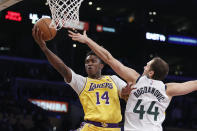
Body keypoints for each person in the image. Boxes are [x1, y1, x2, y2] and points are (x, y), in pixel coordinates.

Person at [68, 30, 197, 131]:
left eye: (147, 65)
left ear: (151, 73)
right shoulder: (168, 89)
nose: (144, 66)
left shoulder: (136, 79)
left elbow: (108, 58)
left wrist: (87, 40)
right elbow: (192, 84)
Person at [32, 26, 130, 131]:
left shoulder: (113, 79)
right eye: (87, 62)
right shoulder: (82, 82)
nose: (89, 64)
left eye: (93, 61)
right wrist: (45, 49)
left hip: (113, 128)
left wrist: (125, 93)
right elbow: (62, 68)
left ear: (101, 65)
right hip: (91, 127)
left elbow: (126, 94)